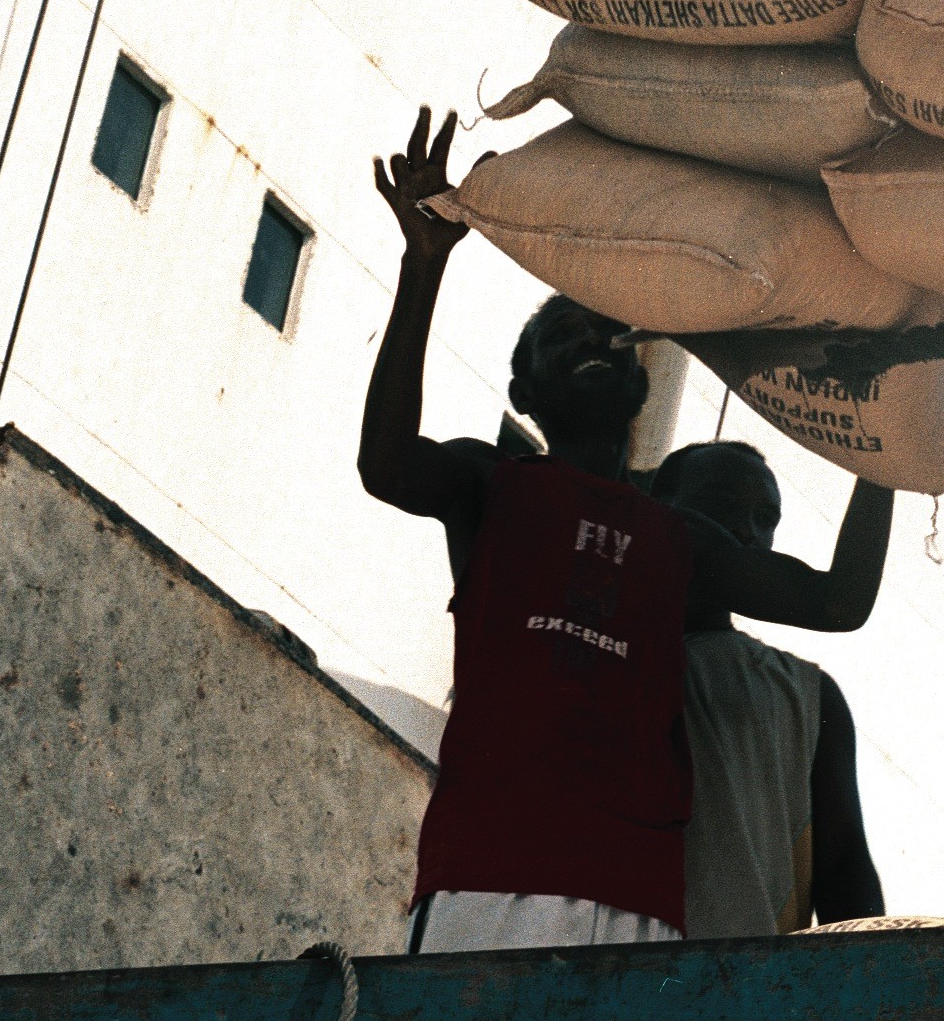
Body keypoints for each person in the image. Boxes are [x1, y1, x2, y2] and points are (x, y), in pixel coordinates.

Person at [360, 114, 905, 953]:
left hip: (638, 904)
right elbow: (386, 464)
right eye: (558, 333)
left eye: (606, 333)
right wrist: (423, 267)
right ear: (523, 390)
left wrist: (888, 429)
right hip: (486, 868)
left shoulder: (679, 542)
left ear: (640, 382)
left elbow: (839, 600)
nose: (587, 338)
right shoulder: (492, 485)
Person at [646, 439, 891, 940]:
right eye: (720, 503)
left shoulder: (810, 696)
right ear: (659, 505)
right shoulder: (597, 643)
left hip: (739, 993)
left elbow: (845, 875)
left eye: (765, 518)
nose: (745, 530)